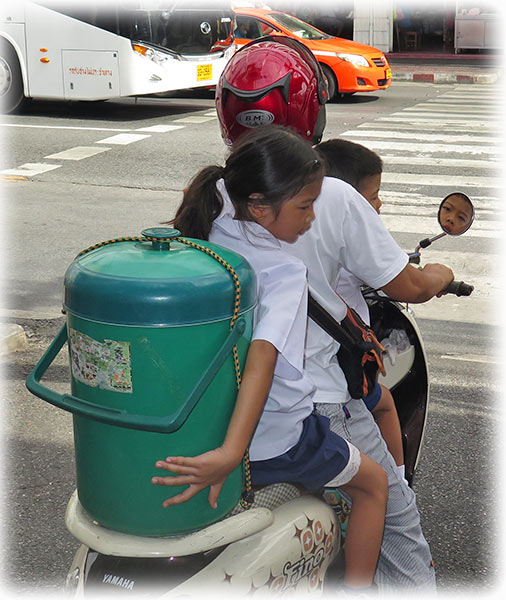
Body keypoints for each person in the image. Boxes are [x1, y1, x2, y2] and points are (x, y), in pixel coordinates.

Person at [214, 36, 455, 592]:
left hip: (234, 402)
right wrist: (440, 277)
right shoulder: (333, 195)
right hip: (317, 399)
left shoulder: (214, 196)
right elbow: (407, 284)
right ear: (311, 111)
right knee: (397, 516)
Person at [151, 126, 388, 591]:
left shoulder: (211, 218)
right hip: (275, 440)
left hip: (204, 422)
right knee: (374, 485)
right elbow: (264, 357)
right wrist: (231, 454)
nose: (312, 218)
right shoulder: (281, 270)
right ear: (259, 206)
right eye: (304, 206)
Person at [315, 138, 404, 474]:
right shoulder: (343, 215)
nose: (378, 204)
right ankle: (400, 482)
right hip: (335, 371)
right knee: (384, 404)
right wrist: (436, 278)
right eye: (372, 198)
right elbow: (403, 283)